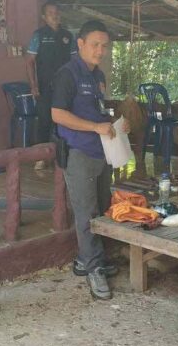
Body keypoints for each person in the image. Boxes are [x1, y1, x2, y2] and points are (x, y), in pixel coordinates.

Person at [51, 20, 129, 298]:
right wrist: (95, 127)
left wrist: (114, 123)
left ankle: (88, 260)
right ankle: (94, 268)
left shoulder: (98, 76)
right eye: (95, 45)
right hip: (78, 151)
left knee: (102, 207)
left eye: (104, 46)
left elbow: (97, 110)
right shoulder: (67, 74)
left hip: (101, 151)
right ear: (80, 43)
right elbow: (57, 114)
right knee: (86, 212)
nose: (100, 51)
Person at [26, 3, 77, 170]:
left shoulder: (68, 36)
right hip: (44, 86)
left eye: (56, 12)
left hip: (65, 87)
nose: (54, 15)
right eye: (50, 13)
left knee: (65, 121)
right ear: (44, 17)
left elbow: (75, 62)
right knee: (44, 121)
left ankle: (62, 157)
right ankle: (41, 158)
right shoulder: (38, 35)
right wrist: (33, 85)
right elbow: (30, 61)